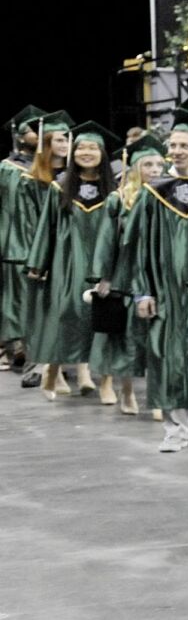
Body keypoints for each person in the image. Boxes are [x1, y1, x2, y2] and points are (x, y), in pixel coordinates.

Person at [125, 110, 188, 452]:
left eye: (185, 145)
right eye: (174, 145)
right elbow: (138, 245)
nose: (177, 151)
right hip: (166, 290)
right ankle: (175, 428)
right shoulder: (155, 192)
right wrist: (142, 291)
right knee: (168, 355)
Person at [25, 122, 118, 401]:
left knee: (101, 320)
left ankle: (102, 381)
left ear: (103, 154)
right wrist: (37, 263)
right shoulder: (60, 186)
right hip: (68, 263)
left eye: (92, 148)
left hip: (103, 264)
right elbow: (47, 227)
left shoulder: (113, 190)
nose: (86, 153)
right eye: (81, 148)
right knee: (69, 315)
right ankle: (55, 371)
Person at [88, 133, 164, 417]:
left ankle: (157, 397)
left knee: (155, 337)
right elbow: (106, 240)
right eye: (148, 165)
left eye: (159, 165)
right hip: (126, 274)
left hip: (156, 274)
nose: (155, 171)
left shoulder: (167, 195)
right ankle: (127, 390)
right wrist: (104, 276)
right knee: (128, 340)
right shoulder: (118, 199)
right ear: (134, 169)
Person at [5, 110, 73, 389]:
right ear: (45, 142)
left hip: (70, 252)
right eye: (58, 138)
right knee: (39, 311)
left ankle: (57, 364)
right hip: (41, 252)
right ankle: (36, 366)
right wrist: (38, 258)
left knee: (62, 310)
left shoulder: (75, 176)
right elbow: (26, 221)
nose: (64, 143)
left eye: (67, 138)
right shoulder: (30, 178)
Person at [1, 106, 46, 370]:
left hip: (43, 241)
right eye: (32, 131)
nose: (38, 136)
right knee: (16, 296)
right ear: (18, 136)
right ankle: (15, 346)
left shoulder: (50, 167)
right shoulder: (7, 168)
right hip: (16, 241)